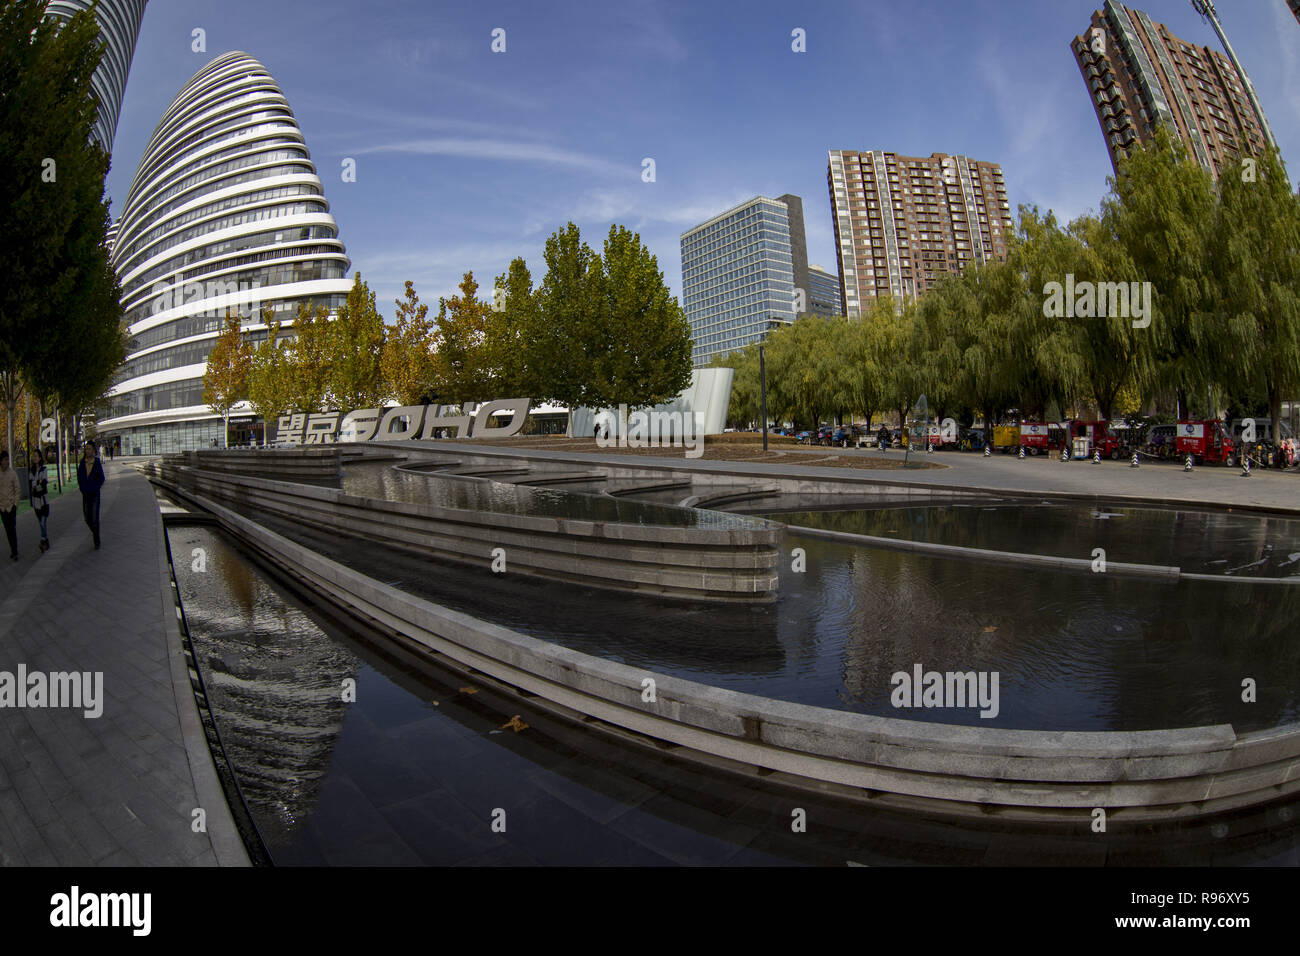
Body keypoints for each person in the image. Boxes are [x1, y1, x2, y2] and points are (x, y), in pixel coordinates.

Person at [76, 441, 105, 550]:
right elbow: (79, 477)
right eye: (86, 449)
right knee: (87, 518)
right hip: (85, 494)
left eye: (89, 449)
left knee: (94, 518)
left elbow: (101, 478)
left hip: (95, 495)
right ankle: (95, 533)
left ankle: (96, 540)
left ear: (93, 450)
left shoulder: (97, 462)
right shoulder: (82, 462)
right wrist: (82, 488)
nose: (87, 451)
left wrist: (94, 487)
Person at [28, 447, 50, 553]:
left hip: (43, 500)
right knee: (41, 523)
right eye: (33, 456)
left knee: (42, 521)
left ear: (40, 457)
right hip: (36, 500)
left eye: (36, 456)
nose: (34, 458)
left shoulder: (44, 469)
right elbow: (32, 484)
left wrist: (37, 484)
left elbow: (44, 483)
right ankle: (46, 542)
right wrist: (38, 483)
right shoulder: (31, 470)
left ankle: (42, 541)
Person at [0, 451, 19, 560]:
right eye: (5, 460)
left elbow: (17, 489)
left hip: (11, 506)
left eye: (7, 459)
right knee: (7, 530)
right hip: (2, 507)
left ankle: (15, 551)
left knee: (12, 529)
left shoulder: (12, 474)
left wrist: (15, 504)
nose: (6, 462)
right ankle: (13, 549)